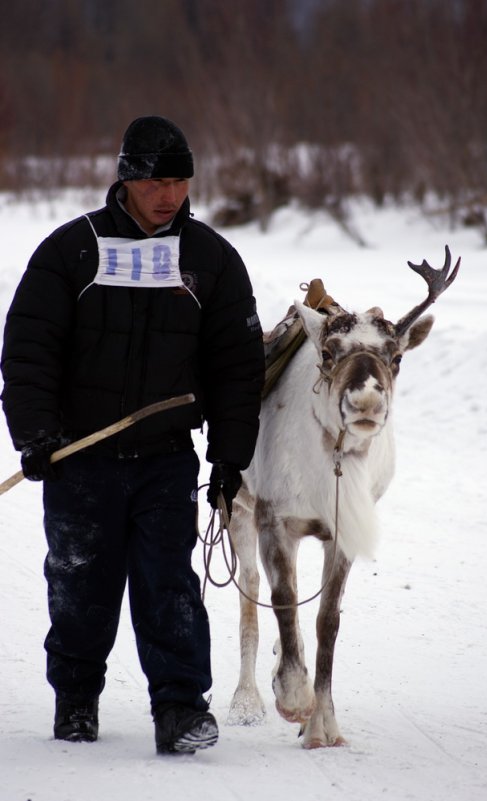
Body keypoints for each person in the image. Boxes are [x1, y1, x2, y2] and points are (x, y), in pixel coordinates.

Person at [1, 115, 265, 754]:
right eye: (156, 180)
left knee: (169, 584)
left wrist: (230, 458)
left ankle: (179, 710)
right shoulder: (73, 251)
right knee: (80, 584)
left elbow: (237, 367)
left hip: (165, 459)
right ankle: (76, 699)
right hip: (78, 458)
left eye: (179, 180)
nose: (168, 194)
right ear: (126, 178)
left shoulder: (210, 260)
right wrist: (36, 436)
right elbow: (30, 349)